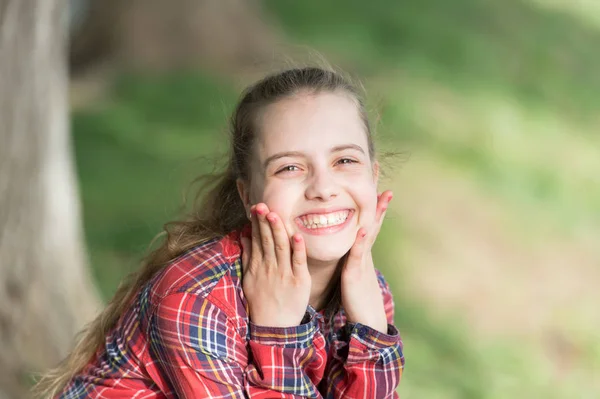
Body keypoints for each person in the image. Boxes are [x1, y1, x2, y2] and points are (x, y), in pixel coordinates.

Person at [35, 66, 405, 398]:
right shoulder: (197, 298)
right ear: (248, 196)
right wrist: (277, 337)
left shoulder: (367, 294)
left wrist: (371, 332)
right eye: (289, 168)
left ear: (372, 178)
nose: (323, 188)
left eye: (345, 161)